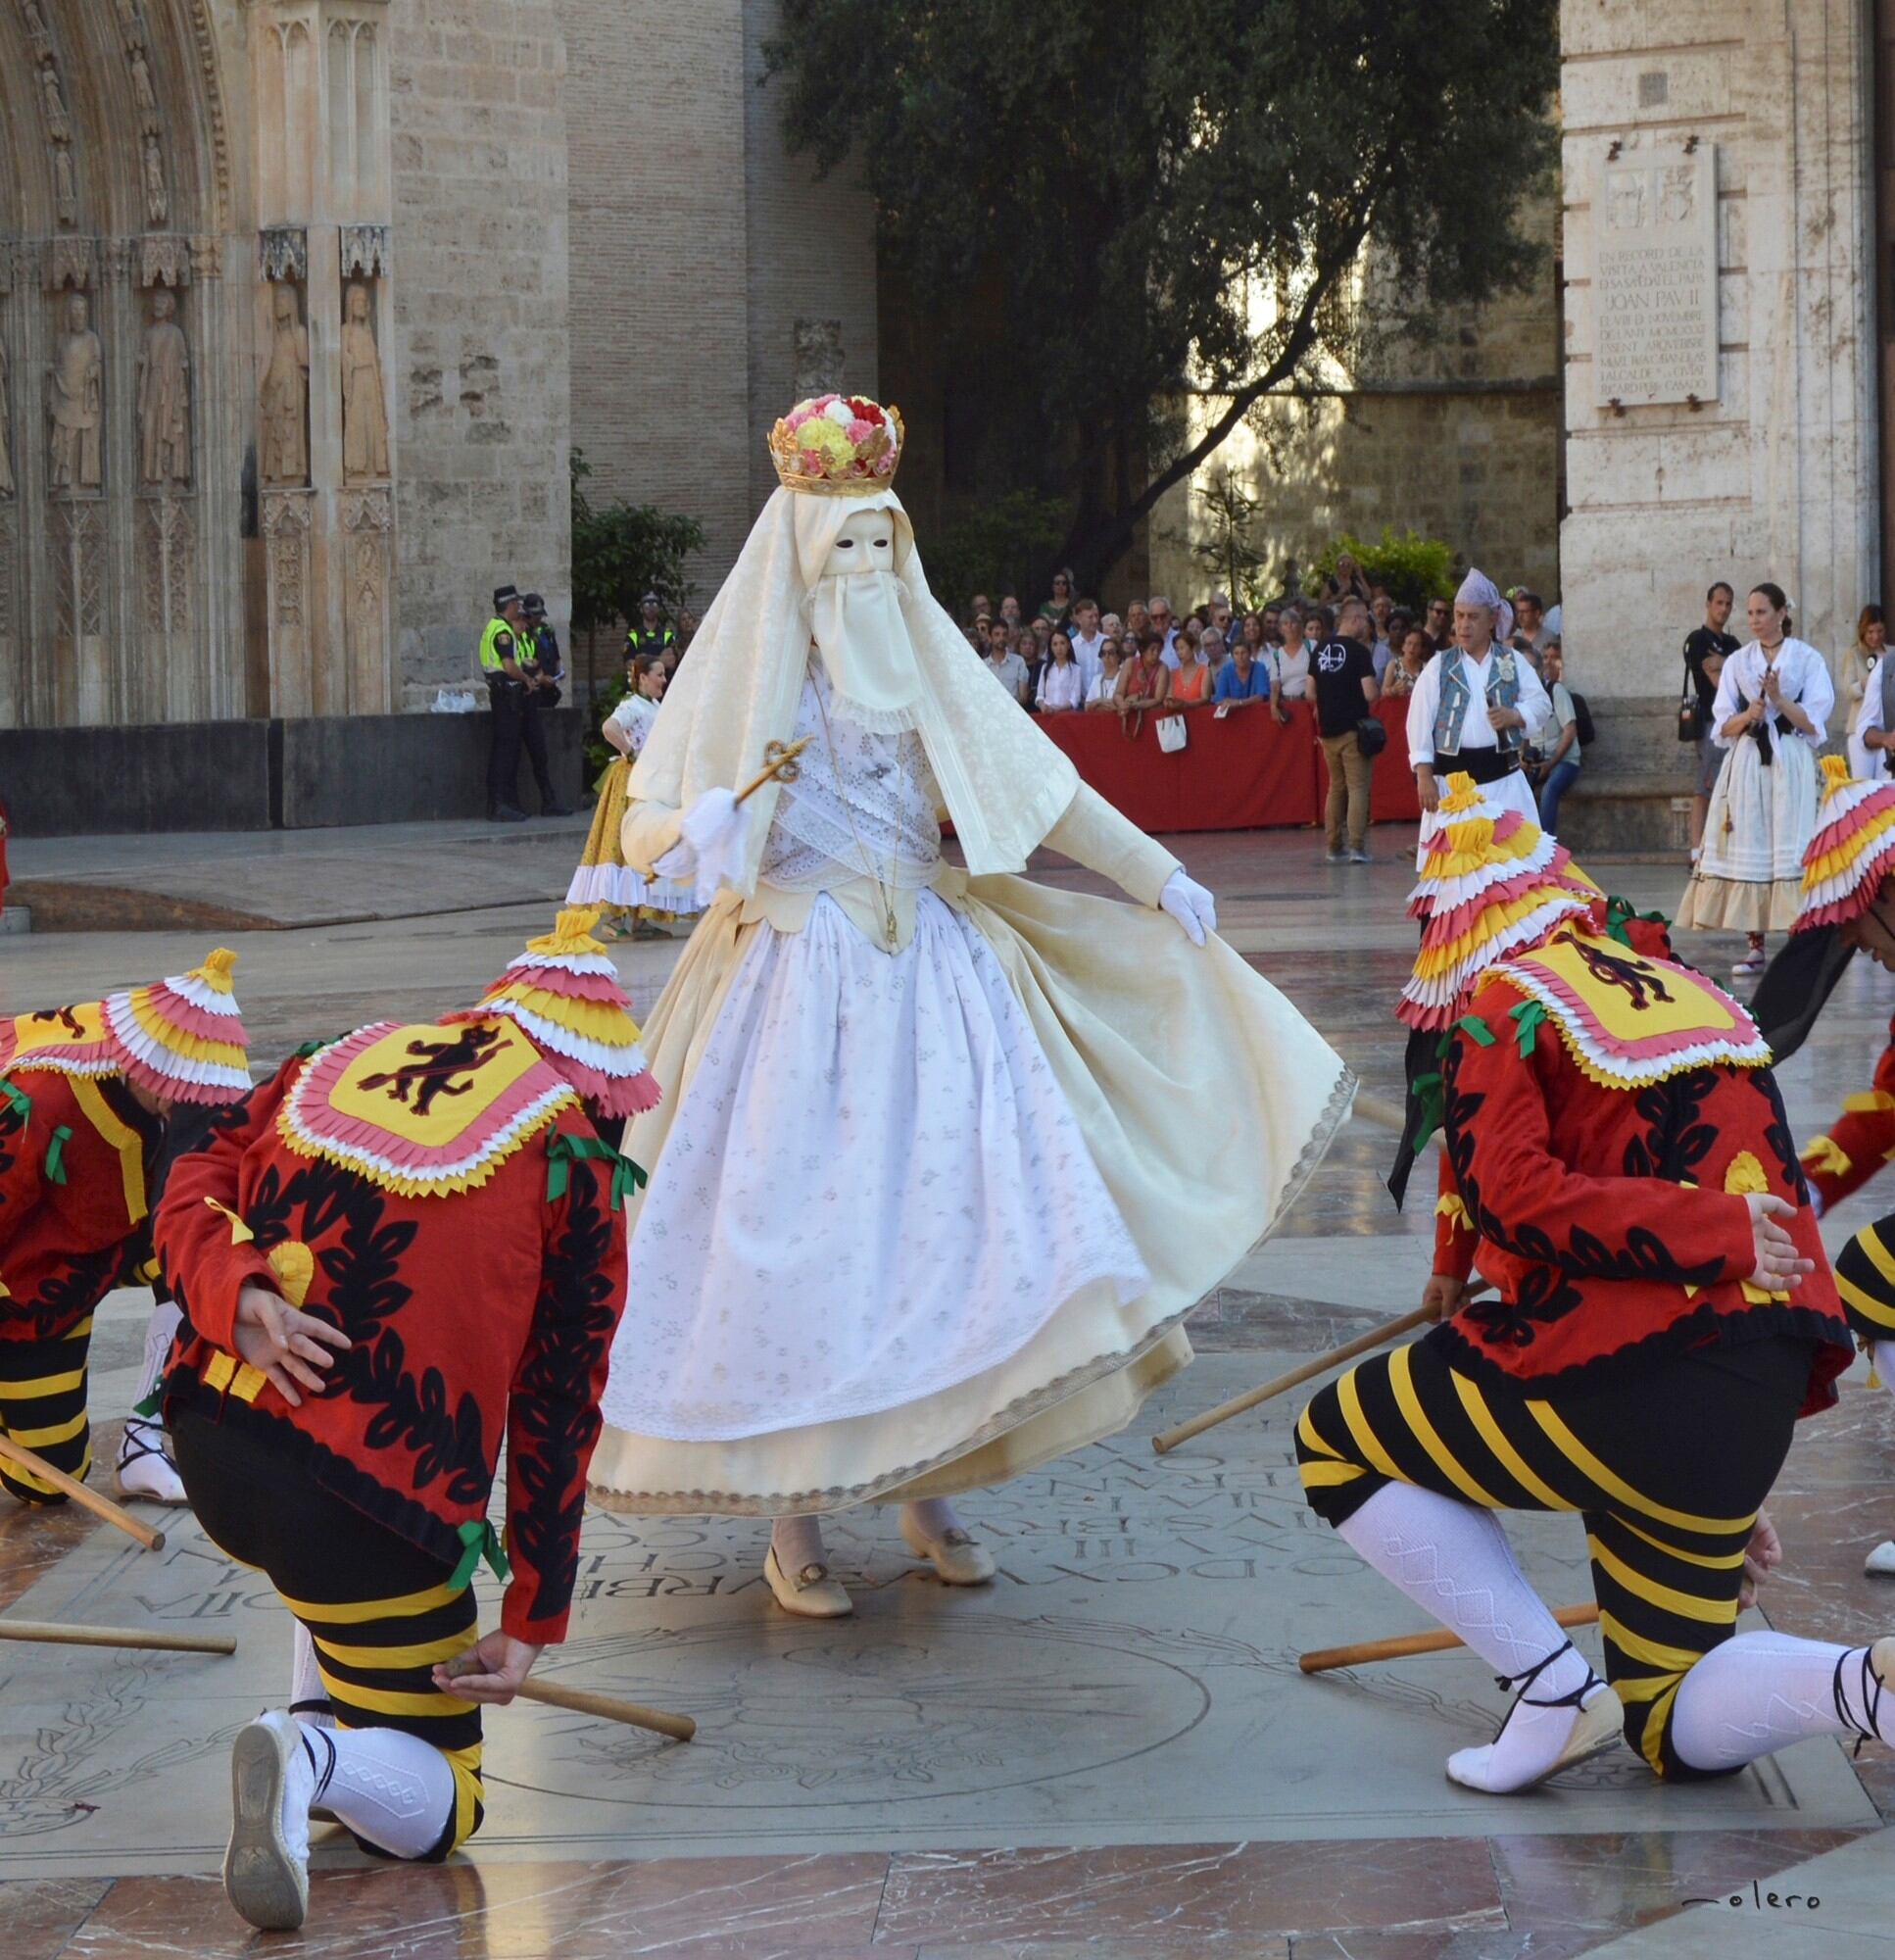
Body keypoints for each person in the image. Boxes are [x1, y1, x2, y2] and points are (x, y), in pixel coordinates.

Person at [589, 395, 1351, 1618]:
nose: (870, 565)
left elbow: (1034, 788)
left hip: (927, 979)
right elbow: (644, 822)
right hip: (790, 992)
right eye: (845, 545)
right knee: (808, 1247)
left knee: (942, 1243)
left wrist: (1157, 872)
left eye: (884, 541)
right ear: (797, 551)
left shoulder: (928, 664)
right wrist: (696, 824)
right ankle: (794, 1516)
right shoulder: (749, 680)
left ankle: (927, 1486)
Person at [1298, 779, 1895, 1797]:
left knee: (1334, 1434)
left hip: (1637, 1371)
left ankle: (1544, 1685)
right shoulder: (1688, 986)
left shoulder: (1503, 999)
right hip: (1748, 1386)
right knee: (1667, 1714)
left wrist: (1700, 1238)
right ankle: (1865, 1686)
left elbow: (1510, 1193)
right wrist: (1706, 1478)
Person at [153, 909, 650, 1932]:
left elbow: (194, 1174)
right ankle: (312, 1753)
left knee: (320, 1548)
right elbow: (558, 1413)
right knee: (447, 1793)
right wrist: (531, 1619)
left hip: (211, 1438)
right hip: (363, 1515)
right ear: (600, 1090)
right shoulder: (575, 1162)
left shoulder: (335, 1056)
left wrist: (236, 1296)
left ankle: (312, 1719)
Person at [0, 952, 253, 1510]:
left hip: (93, 1261)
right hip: (19, 1285)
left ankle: (142, 1442)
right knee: (44, 1479)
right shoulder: (37, 1102)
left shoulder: (173, 1082)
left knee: (199, 1257)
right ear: (162, 1085)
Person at [1678, 581, 1832, 976]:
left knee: (1793, 843)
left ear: (1781, 613)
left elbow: (1814, 722)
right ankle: (1755, 945)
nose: (1754, 620)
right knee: (1752, 841)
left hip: (1791, 761)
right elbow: (1722, 724)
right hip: (1749, 762)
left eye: (1761, 612)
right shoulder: (1738, 661)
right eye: (1749, 613)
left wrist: (1780, 700)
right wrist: (1750, 714)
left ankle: (1803, 940)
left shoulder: (1806, 658)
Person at [1403, 567, 1555, 870]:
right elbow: (1418, 721)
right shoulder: (1438, 667)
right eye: (1459, 616)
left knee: (1512, 872)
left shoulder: (1510, 661)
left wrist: (1515, 715)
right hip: (1451, 788)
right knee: (1454, 875)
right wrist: (1423, 774)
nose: (1463, 624)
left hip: (1504, 783)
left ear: (1492, 620)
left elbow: (1541, 704)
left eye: (1472, 617)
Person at [569, 657, 696, 934]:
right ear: (642, 678)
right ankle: (614, 917)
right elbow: (609, 727)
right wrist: (631, 751)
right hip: (631, 782)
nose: (664, 680)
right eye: (659, 675)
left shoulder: (654, 706)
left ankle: (639, 917)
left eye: (664, 675)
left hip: (649, 781)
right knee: (621, 844)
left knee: (645, 844)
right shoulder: (632, 705)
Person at [1312, 596, 1380, 863]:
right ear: (1352, 619)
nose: (1366, 622)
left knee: (1335, 787)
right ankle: (1356, 847)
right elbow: (1370, 693)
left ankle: (1333, 846)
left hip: (1327, 729)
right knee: (1358, 787)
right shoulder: (1359, 652)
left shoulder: (1319, 650)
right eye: (1363, 617)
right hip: (1354, 730)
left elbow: (1309, 690)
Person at [1683, 582, 1740, 856]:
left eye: (1728, 604)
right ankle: (1697, 849)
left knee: (1729, 784)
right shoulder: (1698, 640)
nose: (1724, 609)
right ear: (1708, 604)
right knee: (1706, 783)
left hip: (1735, 722)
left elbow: (1744, 673)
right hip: (1710, 720)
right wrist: (1728, 667)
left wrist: (1725, 661)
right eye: (1719, 603)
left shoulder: (1731, 644)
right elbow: (1717, 680)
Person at [1531, 638, 1582, 831]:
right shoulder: (1524, 697)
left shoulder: (1556, 691)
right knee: (1517, 789)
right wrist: (1522, 758)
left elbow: (1570, 731)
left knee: (1550, 790)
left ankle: (1546, 846)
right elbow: (1523, 735)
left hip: (1564, 761)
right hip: (1538, 759)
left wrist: (1550, 764)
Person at [1845, 604, 1888, 780]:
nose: (1875, 637)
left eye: (1879, 631)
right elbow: (1848, 691)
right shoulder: (1854, 654)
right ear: (1863, 631)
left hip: (1885, 730)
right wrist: (1866, 684)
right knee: (1862, 784)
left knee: (1885, 783)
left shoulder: (1891, 653)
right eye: (1870, 632)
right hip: (1859, 728)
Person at [1116, 629, 1172, 723]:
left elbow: (1158, 699)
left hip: (1153, 718)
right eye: (1152, 649)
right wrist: (1122, 704)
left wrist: (1135, 705)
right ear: (1143, 649)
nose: (1156, 653)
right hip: (1128, 715)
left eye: (1159, 650)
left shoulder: (1162, 668)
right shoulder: (1130, 663)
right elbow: (1118, 693)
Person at [1266, 607, 1312, 720]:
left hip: (1308, 704)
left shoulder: (1311, 646)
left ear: (1300, 626)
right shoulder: (1276, 655)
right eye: (1285, 623)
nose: (1290, 627)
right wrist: (1273, 706)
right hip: (1288, 706)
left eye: (1293, 623)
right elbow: (1275, 685)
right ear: (1281, 629)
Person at [1036, 627, 1086, 712]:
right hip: (1048, 715)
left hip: (1067, 716)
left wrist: (1058, 709)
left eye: (1062, 643)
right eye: (1055, 644)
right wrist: (1043, 706)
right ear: (1051, 647)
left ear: (1068, 645)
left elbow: (1075, 699)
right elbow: (1040, 695)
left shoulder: (1076, 670)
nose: (1059, 648)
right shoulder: (1045, 668)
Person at [1213, 636, 1270, 708]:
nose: (1240, 657)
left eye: (1243, 652)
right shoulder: (1226, 670)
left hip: (1255, 714)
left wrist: (1239, 703)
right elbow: (1219, 699)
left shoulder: (1259, 668)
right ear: (1232, 656)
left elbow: (1261, 697)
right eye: (1236, 653)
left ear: (1250, 654)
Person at [984, 618, 1031, 705]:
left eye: (1004, 634)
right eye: (997, 635)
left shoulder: (1019, 662)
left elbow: (1023, 697)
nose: (1001, 638)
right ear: (990, 638)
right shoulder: (983, 665)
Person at [1380, 625, 1432, 698]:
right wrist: (1394, 690)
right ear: (1403, 646)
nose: (1412, 648)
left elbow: (1429, 693)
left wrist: (1411, 690)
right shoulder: (1394, 665)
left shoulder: (1426, 668)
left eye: (1416, 645)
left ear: (1421, 649)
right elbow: (1383, 691)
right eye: (1409, 643)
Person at [625, 592, 675, 663]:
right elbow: (629, 664)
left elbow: (671, 662)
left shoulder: (667, 633)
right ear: (641, 609)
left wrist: (645, 658)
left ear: (659, 609)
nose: (651, 609)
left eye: (654, 605)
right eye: (647, 606)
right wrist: (661, 659)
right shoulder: (633, 634)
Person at [1069, 598, 1107, 688]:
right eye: (1090, 617)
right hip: (1078, 699)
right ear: (1079, 619)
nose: (1095, 621)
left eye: (1096, 616)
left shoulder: (1106, 642)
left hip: (1103, 698)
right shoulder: (1072, 646)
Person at [1085, 640, 1124, 710]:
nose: (1107, 656)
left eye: (1111, 653)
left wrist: (1097, 706)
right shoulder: (1096, 679)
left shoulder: (1124, 678)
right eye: (1103, 653)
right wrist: (1099, 701)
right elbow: (1086, 706)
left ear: (1119, 656)